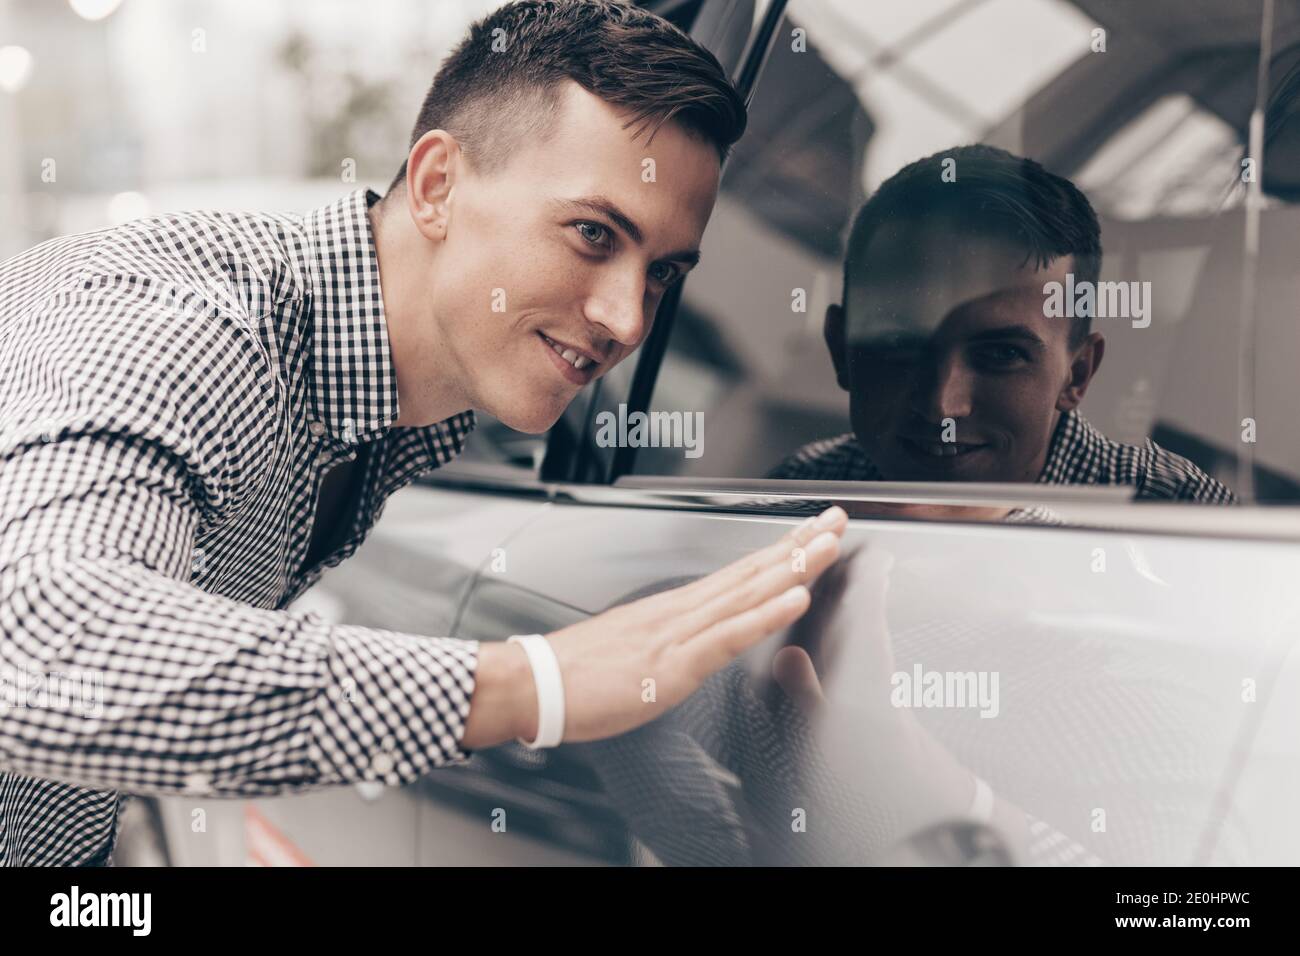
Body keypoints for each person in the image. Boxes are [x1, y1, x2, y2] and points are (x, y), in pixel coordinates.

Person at [0, 0, 848, 866]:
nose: (628, 319)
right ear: (438, 183)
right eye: (593, 234)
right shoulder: (186, 323)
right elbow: (39, 641)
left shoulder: (391, 415)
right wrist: (537, 684)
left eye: (663, 273)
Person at [768, 145, 1235, 505]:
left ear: (1077, 375)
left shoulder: (1176, 510)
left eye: (1002, 354)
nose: (942, 408)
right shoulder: (798, 489)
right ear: (840, 350)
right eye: (898, 345)